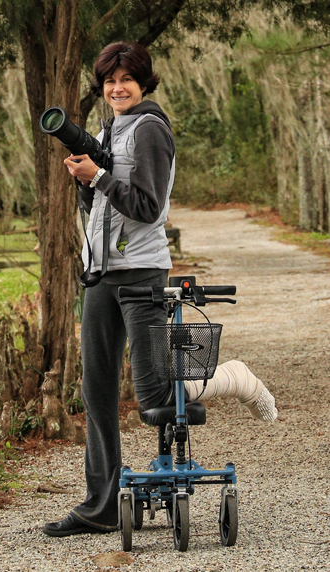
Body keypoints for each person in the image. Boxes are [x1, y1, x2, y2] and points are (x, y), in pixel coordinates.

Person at [42, 42, 277, 538]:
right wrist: (87, 182)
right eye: (109, 81)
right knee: (97, 389)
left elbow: (148, 208)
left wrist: (100, 176)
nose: (117, 88)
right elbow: (104, 208)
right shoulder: (111, 127)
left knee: (152, 392)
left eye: (126, 79)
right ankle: (101, 507)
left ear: (144, 83)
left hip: (142, 272)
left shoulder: (150, 129)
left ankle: (235, 377)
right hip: (101, 273)